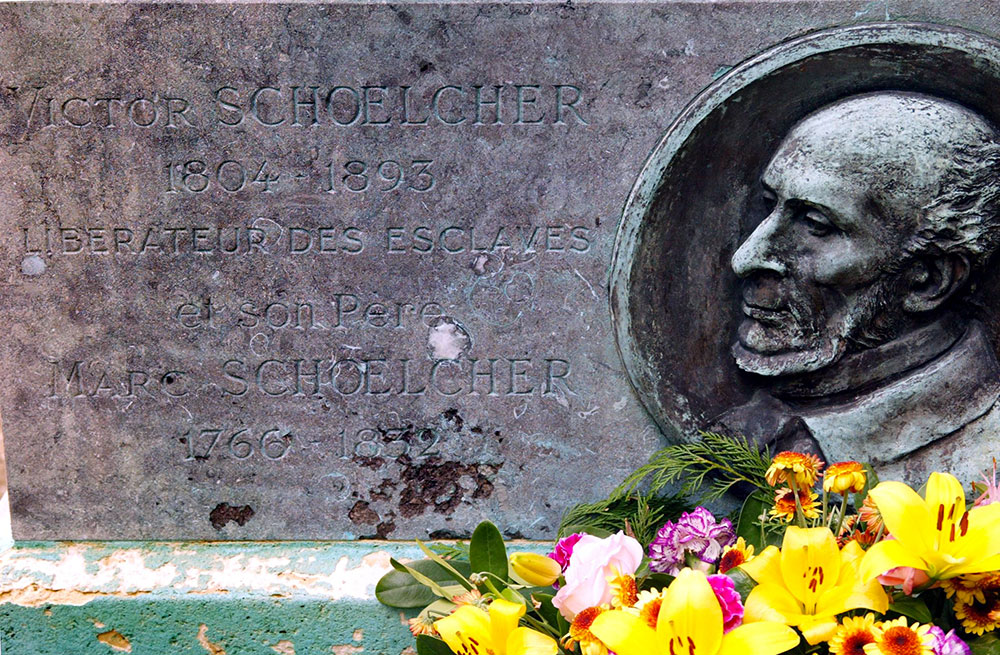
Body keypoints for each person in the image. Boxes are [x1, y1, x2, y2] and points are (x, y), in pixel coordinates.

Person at [710, 91, 1000, 484]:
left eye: (815, 224)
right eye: (769, 203)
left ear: (928, 280)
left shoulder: (985, 457)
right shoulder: (746, 428)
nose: (745, 258)